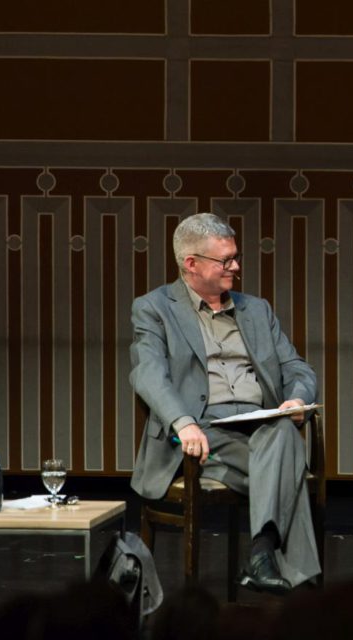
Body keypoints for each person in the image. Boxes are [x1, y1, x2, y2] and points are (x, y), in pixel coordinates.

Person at [130, 212, 320, 593]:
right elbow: (148, 373)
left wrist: (297, 397)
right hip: (201, 434)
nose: (236, 266)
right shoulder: (155, 309)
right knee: (288, 462)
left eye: (235, 256)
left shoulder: (257, 309)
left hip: (259, 426)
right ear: (192, 264)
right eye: (226, 260)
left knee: (282, 432)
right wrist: (182, 423)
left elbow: (296, 367)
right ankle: (299, 582)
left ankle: (263, 553)